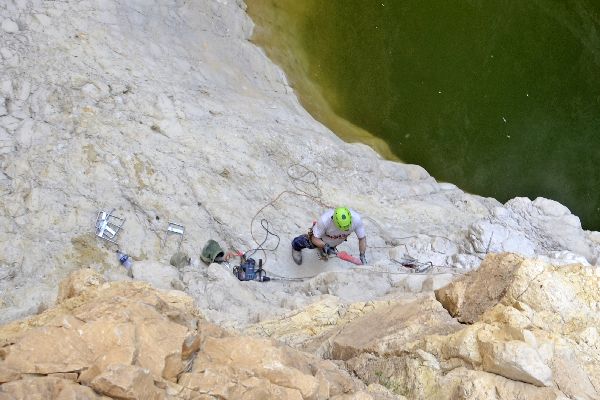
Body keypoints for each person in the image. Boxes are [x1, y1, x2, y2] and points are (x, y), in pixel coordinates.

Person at [291, 207, 367, 265]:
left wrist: (362, 254)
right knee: (308, 243)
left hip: (336, 240)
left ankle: (324, 250)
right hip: (320, 238)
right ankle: (296, 246)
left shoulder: (356, 220)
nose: (346, 229)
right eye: (342, 228)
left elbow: (362, 238)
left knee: (330, 248)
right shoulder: (324, 221)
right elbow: (314, 238)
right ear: (334, 220)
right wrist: (324, 246)